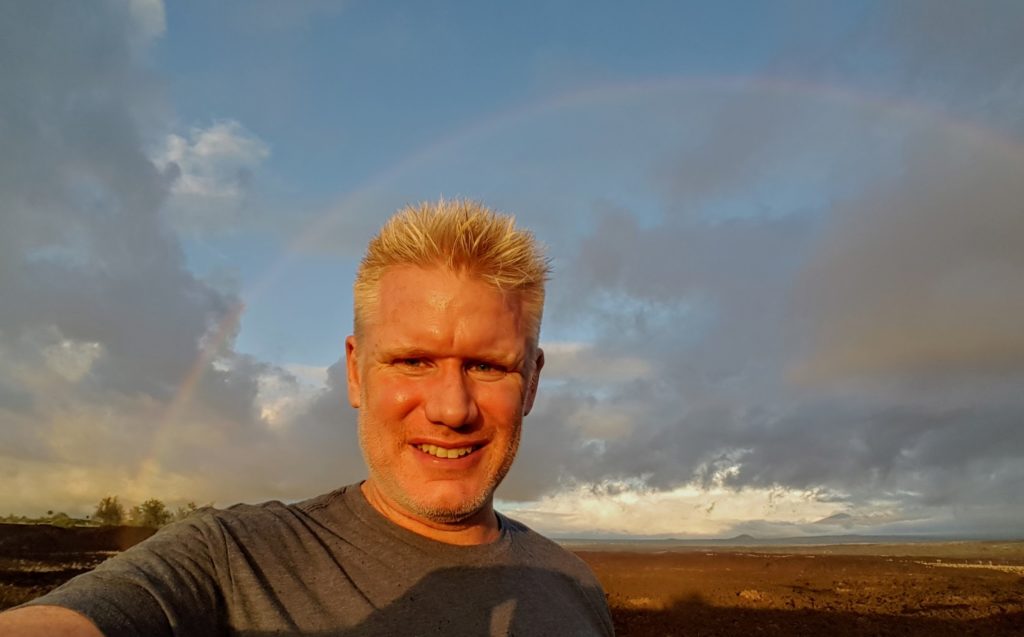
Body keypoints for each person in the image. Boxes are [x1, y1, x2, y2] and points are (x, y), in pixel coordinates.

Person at [0, 200, 615, 636]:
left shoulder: (576, 586)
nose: (451, 408)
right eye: (413, 361)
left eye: (487, 367)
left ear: (532, 380)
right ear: (354, 371)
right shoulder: (228, 562)